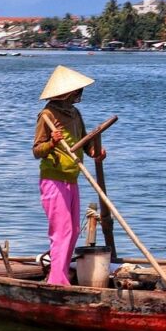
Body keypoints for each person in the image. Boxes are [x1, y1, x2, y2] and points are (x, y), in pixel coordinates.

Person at [32, 65, 106, 286]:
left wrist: (96, 153)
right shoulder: (47, 115)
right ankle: (57, 280)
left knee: (72, 230)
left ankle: (60, 271)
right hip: (53, 178)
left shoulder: (74, 113)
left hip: (72, 177)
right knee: (62, 231)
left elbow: (84, 143)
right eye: (76, 90)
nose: (79, 94)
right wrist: (52, 142)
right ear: (67, 92)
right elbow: (37, 151)